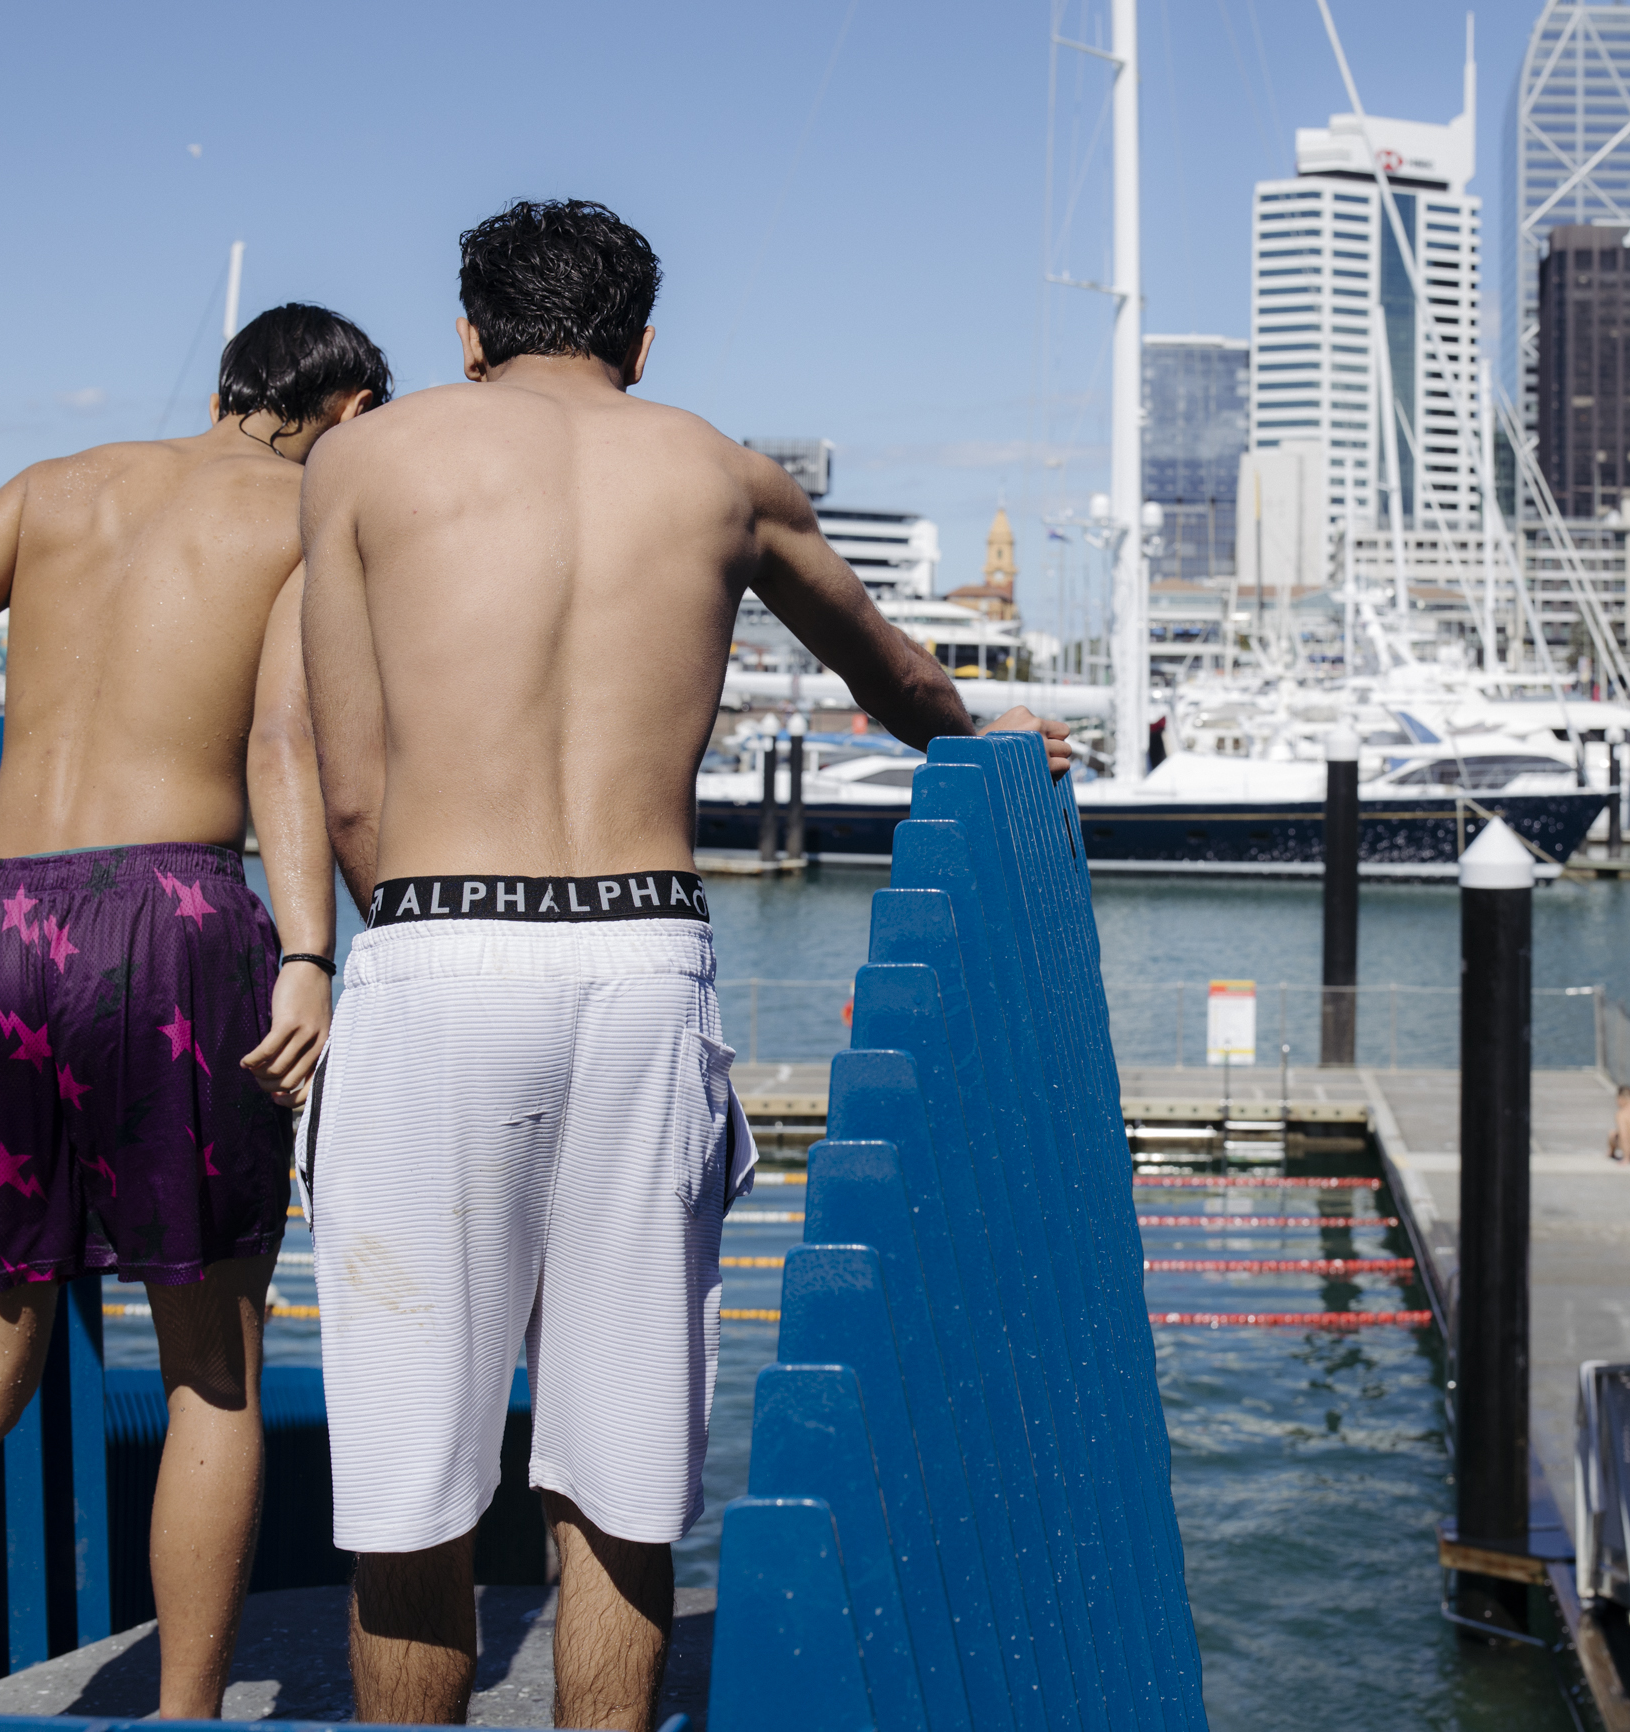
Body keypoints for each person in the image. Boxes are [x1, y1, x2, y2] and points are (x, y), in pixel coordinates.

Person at [297, 199, 1072, 1732]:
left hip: (439, 939)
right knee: (622, 1474)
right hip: (643, 956)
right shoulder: (725, 473)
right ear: (642, 343)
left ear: (468, 334)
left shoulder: (364, 461)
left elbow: (351, 792)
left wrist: (428, 939)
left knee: (410, 1487)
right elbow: (902, 678)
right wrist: (996, 745)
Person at [0, 306, 387, 1717]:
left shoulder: (55, 485)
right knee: (211, 1370)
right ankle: (184, 1717)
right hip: (172, 921)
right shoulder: (308, 514)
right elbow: (284, 742)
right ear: (346, 407)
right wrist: (308, 952)